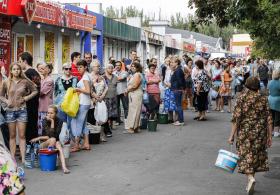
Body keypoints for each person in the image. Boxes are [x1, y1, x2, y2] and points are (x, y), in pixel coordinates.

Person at [228, 77, 273, 195]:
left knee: (245, 155)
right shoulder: (263, 99)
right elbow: (269, 119)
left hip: (245, 132)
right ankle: (250, 181)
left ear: (247, 85)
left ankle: (250, 178)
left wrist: (231, 136)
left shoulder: (242, 98)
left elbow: (236, 119)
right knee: (254, 155)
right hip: (260, 132)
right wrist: (269, 136)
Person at [0, 63, 38, 163]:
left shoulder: (25, 81)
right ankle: (12, 158)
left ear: (20, 71)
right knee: (12, 135)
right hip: (10, 111)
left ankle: (23, 158)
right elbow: (1, 96)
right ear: (11, 71)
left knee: (22, 135)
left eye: (18, 69)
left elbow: (35, 90)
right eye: (14, 69)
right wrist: (7, 101)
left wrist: (25, 98)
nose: (16, 71)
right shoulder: (6, 82)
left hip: (22, 110)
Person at [30, 105, 70, 174]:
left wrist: (39, 137)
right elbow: (50, 136)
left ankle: (64, 167)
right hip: (43, 144)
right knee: (53, 140)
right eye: (48, 113)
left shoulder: (60, 121)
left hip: (53, 141)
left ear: (56, 113)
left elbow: (55, 135)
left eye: (51, 113)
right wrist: (52, 122)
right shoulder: (44, 120)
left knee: (58, 145)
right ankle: (49, 161)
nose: (49, 115)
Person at [18, 52, 41, 143]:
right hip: (35, 103)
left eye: (20, 61)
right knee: (33, 126)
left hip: (28, 103)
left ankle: (29, 147)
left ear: (25, 61)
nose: (19, 64)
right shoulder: (36, 72)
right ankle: (33, 147)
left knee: (27, 128)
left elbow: (25, 90)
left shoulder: (26, 74)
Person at [70, 60, 91, 152]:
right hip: (86, 103)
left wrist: (78, 89)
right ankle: (86, 143)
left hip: (83, 103)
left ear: (85, 67)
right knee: (83, 124)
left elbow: (88, 91)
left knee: (78, 123)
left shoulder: (85, 77)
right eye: (78, 67)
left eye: (81, 67)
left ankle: (76, 145)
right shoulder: (87, 76)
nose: (79, 69)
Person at [88, 60, 108, 142]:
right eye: (97, 66)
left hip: (101, 100)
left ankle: (102, 133)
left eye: (99, 66)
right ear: (92, 67)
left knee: (102, 116)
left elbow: (106, 87)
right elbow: (89, 89)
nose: (99, 68)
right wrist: (95, 98)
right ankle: (94, 135)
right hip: (93, 100)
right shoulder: (89, 77)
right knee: (94, 117)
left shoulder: (102, 77)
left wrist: (103, 95)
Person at [124, 62, 143, 133]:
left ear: (138, 68)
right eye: (131, 66)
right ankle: (135, 127)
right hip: (133, 94)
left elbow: (135, 86)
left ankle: (132, 127)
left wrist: (127, 90)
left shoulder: (137, 74)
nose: (132, 67)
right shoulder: (134, 75)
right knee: (134, 110)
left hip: (136, 94)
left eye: (134, 66)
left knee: (134, 111)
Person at [38, 63, 54, 136]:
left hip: (45, 107)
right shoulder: (42, 79)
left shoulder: (49, 80)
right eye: (40, 69)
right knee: (40, 127)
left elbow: (41, 92)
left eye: (43, 68)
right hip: (40, 107)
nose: (41, 70)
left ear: (48, 70)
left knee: (44, 128)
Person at [170, 57, 185, 126]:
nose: (171, 63)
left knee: (178, 105)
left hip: (177, 89)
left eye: (173, 62)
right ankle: (179, 120)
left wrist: (181, 88)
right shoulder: (178, 70)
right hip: (177, 89)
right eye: (171, 62)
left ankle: (181, 121)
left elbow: (180, 81)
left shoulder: (178, 70)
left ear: (177, 63)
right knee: (178, 105)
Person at [103, 64, 118, 137]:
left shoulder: (115, 77)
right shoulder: (103, 77)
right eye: (109, 68)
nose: (111, 69)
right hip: (106, 97)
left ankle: (111, 125)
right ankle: (107, 127)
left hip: (114, 97)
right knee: (107, 113)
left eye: (112, 68)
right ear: (106, 69)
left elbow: (116, 85)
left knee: (113, 113)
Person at [114, 61, 129, 125]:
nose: (117, 66)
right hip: (116, 92)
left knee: (125, 106)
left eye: (119, 65)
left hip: (123, 91)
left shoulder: (125, 72)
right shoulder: (113, 72)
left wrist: (114, 79)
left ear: (121, 66)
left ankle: (127, 120)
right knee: (117, 107)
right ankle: (118, 120)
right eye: (116, 65)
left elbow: (122, 78)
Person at [268, 69, 280, 137]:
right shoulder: (279, 82)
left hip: (270, 99)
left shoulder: (270, 82)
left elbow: (268, 90)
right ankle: (276, 132)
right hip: (277, 101)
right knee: (278, 117)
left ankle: (271, 131)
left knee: (272, 116)